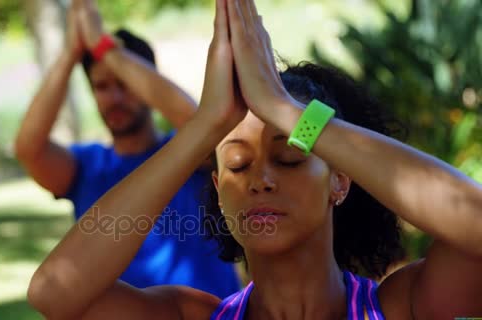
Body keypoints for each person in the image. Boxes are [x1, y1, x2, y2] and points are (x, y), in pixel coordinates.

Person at [26, 0, 482, 319]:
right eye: (238, 165)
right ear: (220, 194)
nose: (260, 179)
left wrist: (287, 111)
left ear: (340, 181)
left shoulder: (404, 307)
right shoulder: (192, 316)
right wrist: (203, 128)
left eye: (288, 157)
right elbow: (54, 294)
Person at [14, 0, 240, 297]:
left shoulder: (187, 152)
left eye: (124, 83)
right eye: (102, 87)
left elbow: (205, 125)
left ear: (145, 81)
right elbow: (29, 149)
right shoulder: (86, 167)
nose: (115, 98)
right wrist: (71, 53)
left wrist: (104, 47)